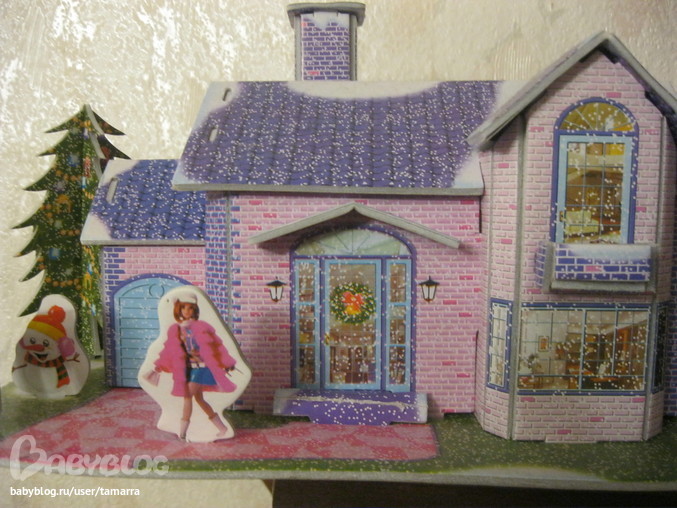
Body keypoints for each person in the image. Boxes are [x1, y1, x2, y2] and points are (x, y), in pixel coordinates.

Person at [145, 291, 238, 440]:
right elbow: (169, 351)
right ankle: (222, 428)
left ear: (195, 310)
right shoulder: (175, 329)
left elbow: (218, 347)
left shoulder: (203, 327)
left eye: (190, 308)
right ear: (178, 309)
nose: (187, 311)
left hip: (202, 368)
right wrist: (159, 366)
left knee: (187, 396)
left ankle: (183, 432)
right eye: (183, 307)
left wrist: (227, 363)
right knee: (199, 399)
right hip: (188, 369)